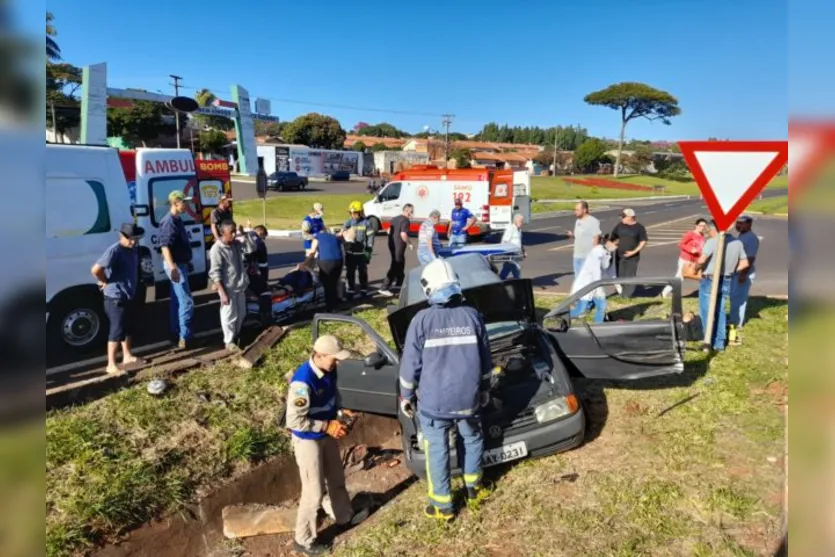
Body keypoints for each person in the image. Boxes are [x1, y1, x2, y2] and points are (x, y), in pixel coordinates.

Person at [398, 259, 493, 521]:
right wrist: (484, 388)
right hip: (468, 398)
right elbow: (486, 361)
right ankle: (474, 489)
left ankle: (443, 506)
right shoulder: (472, 315)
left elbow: (410, 367)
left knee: (437, 449)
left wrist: (405, 396)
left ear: (428, 288)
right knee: (472, 439)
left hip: (434, 403)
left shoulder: (421, 321)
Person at [286, 335, 369, 555]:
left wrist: (342, 412)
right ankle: (303, 540)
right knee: (313, 492)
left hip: (326, 434)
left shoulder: (330, 371)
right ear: (320, 356)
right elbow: (294, 421)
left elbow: (332, 397)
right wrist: (327, 426)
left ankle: (344, 516)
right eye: (335, 358)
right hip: (307, 440)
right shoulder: (302, 382)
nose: (338, 362)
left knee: (336, 478)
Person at [91, 223, 147, 374]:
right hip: (115, 296)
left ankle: (127, 356)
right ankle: (111, 364)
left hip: (129, 294)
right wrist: (104, 281)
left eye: (136, 238)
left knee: (128, 327)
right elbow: (96, 269)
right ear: (121, 236)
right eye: (130, 239)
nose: (134, 242)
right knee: (116, 330)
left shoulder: (134, 249)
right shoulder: (115, 250)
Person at [696, 221, 749, 353]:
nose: (708, 233)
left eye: (708, 230)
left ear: (712, 230)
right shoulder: (737, 243)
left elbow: (702, 260)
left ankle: (708, 340)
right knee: (720, 310)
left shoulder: (712, 241)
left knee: (706, 311)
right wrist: (732, 270)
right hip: (726, 278)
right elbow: (745, 263)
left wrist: (696, 268)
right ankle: (719, 343)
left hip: (710, 278)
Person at [209, 220, 256, 352]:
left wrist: (245, 235)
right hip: (227, 287)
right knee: (229, 315)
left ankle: (236, 336)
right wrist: (222, 292)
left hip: (239, 285)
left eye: (235, 231)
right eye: (231, 232)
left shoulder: (235, 244)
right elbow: (215, 272)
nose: (234, 235)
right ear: (223, 233)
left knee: (241, 313)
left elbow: (251, 249)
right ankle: (228, 341)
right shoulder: (217, 249)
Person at [159, 190, 195, 348]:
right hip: (175, 265)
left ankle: (176, 332)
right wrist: (173, 268)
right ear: (175, 203)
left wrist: (186, 261)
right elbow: (164, 247)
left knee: (177, 301)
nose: (186, 205)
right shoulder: (169, 222)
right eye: (184, 202)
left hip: (180, 263)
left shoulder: (177, 220)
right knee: (186, 302)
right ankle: (185, 337)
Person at [569, 235, 617, 323]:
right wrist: (598, 285)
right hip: (588, 284)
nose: (615, 246)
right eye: (614, 244)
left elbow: (608, 268)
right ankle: (565, 319)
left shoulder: (606, 252)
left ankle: (598, 325)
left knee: (602, 306)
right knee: (581, 309)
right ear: (607, 241)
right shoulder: (598, 251)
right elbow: (596, 270)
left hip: (596, 285)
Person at [729, 215, 759, 344]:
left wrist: (743, 274)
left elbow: (751, 258)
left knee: (739, 299)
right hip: (737, 272)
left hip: (744, 273)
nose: (738, 226)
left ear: (749, 224)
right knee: (734, 297)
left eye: (741, 224)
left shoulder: (751, 238)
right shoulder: (742, 236)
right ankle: (733, 319)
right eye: (737, 223)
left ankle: (736, 323)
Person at [662, 218, 708, 298]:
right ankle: (664, 292)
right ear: (696, 225)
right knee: (680, 277)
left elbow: (701, 248)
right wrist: (690, 249)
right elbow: (680, 244)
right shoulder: (690, 234)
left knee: (697, 276)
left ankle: (703, 294)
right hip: (685, 259)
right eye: (700, 225)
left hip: (694, 261)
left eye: (704, 226)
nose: (702, 227)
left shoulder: (702, 236)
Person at [610, 208, 648, 298]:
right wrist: (611, 246)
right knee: (620, 275)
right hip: (619, 256)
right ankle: (623, 294)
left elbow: (643, 241)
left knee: (630, 276)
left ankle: (627, 296)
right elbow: (614, 238)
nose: (621, 218)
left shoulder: (639, 228)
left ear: (631, 217)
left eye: (623, 216)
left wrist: (633, 252)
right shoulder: (620, 225)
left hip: (632, 257)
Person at [307, 228, 344, 311]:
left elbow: (312, 252)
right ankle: (336, 304)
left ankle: (330, 307)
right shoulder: (334, 237)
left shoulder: (317, 237)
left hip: (326, 262)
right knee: (334, 283)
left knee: (327, 285)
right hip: (338, 261)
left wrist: (305, 263)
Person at [380, 204, 414, 296]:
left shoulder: (395, 219)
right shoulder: (405, 220)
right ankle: (384, 287)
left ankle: (400, 282)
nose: (412, 214)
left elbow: (388, 231)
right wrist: (409, 243)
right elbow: (403, 234)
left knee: (401, 262)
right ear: (407, 210)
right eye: (412, 211)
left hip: (391, 244)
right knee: (396, 264)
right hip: (398, 245)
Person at [341, 201, 373, 297]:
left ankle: (363, 289)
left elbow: (370, 239)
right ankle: (350, 290)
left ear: (360, 212)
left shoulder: (367, 223)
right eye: (351, 213)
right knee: (350, 273)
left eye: (355, 213)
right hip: (350, 254)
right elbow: (342, 236)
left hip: (361, 254)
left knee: (362, 272)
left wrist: (368, 253)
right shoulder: (348, 223)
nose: (353, 215)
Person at [567, 201, 601, 281]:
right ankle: (580, 293)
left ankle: (591, 294)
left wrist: (595, 254)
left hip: (588, 256)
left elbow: (596, 237)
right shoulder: (578, 221)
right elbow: (578, 236)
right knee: (578, 279)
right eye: (575, 210)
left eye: (577, 210)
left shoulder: (593, 221)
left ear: (584, 210)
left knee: (588, 279)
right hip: (577, 255)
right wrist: (572, 235)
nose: (575, 212)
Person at [499, 213, 526, 280]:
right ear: (515, 221)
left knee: (507, 268)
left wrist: (523, 251)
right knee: (516, 268)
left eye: (522, 221)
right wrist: (504, 252)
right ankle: (518, 282)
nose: (522, 223)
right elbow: (504, 241)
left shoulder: (519, 230)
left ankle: (499, 280)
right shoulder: (511, 228)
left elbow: (519, 242)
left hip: (516, 252)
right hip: (510, 253)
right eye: (521, 221)